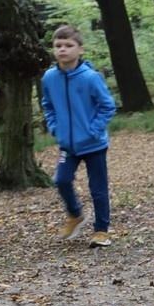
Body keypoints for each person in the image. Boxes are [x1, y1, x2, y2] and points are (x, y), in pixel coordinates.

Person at [40, 24, 117, 248]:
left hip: (94, 144)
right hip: (68, 145)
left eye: (68, 45)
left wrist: (93, 130)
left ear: (80, 49)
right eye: (58, 46)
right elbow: (48, 106)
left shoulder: (90, 77)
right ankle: (75, 215)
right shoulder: (49, 78)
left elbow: (107, 106)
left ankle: (101, 231)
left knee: (98, 188)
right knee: (61, 180)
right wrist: (55, 128)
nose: (63, 50)